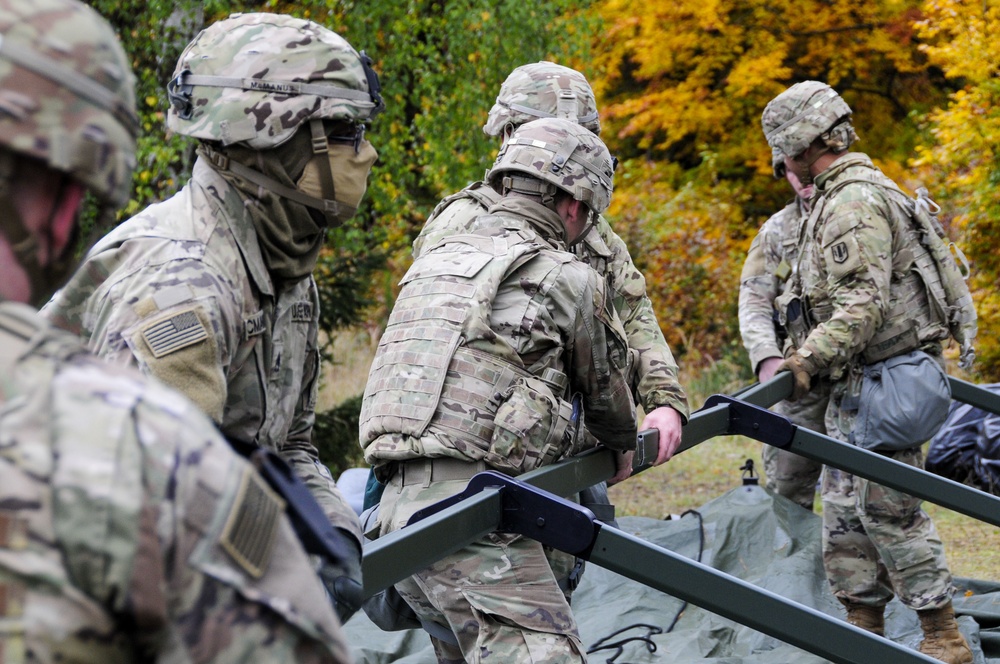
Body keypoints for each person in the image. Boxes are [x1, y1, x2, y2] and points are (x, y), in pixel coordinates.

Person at [0, 0, 351, 660]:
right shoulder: (181, 286)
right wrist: (286, 573)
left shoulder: (283, 267)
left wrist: (336, 533)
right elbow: (173, 513)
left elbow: (291, 445)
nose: (367, 153)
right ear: (279, 138)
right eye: (347, 131)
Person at [360, 117, 637, 662]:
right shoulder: (566, 276)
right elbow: (610, 406)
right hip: (472, 521)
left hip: (395, 517)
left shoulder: (432, 262)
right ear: (575, 207)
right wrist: (622, 442)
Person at [762, 80, 973, 664]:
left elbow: (863, 303)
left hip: (884, 383)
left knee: (890, 512)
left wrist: (808, 357)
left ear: (803, 144)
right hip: (857, 386)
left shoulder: (852, 200)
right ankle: (863, 630)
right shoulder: (838, 195)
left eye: (785, 150)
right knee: (847, 517)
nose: (783, 163)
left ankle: (943, 635)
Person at [413, 61, 688, 467]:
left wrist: (664, 399)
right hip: (461, 447)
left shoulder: (591, 229)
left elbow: (633, 315)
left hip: (557, 444)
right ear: (508, 137)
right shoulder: (464, 222)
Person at [738, 149, 826, 511]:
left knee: (860, 498)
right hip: (798, 383)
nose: (802, 182)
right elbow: (755, 299)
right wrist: (766, 358)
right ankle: (788, 565)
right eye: (791, 173)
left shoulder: (856, 215)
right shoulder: (778, 230)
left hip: (859, 381)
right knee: (786, 493)